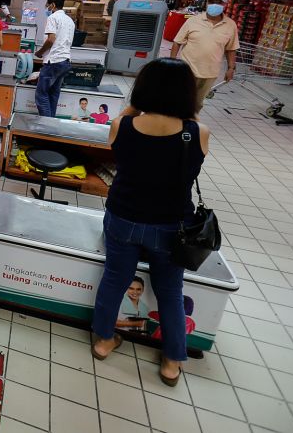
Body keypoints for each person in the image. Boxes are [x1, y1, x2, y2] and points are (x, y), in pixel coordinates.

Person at [91, 57, 210, 388]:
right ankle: (172, 361)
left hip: (123, 218)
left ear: (143, 89)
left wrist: (136, 105)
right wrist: (188, 109)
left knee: (115, 279)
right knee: (171, 291)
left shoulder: (123, 127)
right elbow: (193, 122)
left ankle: (103, 341)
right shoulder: (197, 133)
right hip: (173, 226)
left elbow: (121, 124)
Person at [171, 0, 238, 114]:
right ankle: (175, 124)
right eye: (212, 2)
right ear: (207, 3)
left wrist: (231, 68)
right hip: (187, 69)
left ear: (225, 5)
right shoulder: (193, 21)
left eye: (219, 3)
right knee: (181, 99)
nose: (215, 5)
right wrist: (172, 63)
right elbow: (177, 42)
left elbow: (231, 49)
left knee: (197, 103)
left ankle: (190, 124)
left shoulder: (230, 25)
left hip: (210, 72)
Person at [34, 0, 76, 117]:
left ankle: (46, 125)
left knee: (41, 95)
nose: (47, 9)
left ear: (53, 5)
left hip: (53, 62)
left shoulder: (53, 18)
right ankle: (51, 125)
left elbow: (51, 39)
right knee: (53, 93)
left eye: (47, 6)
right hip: (65, 61)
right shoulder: (70, 20)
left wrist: (40, 52)